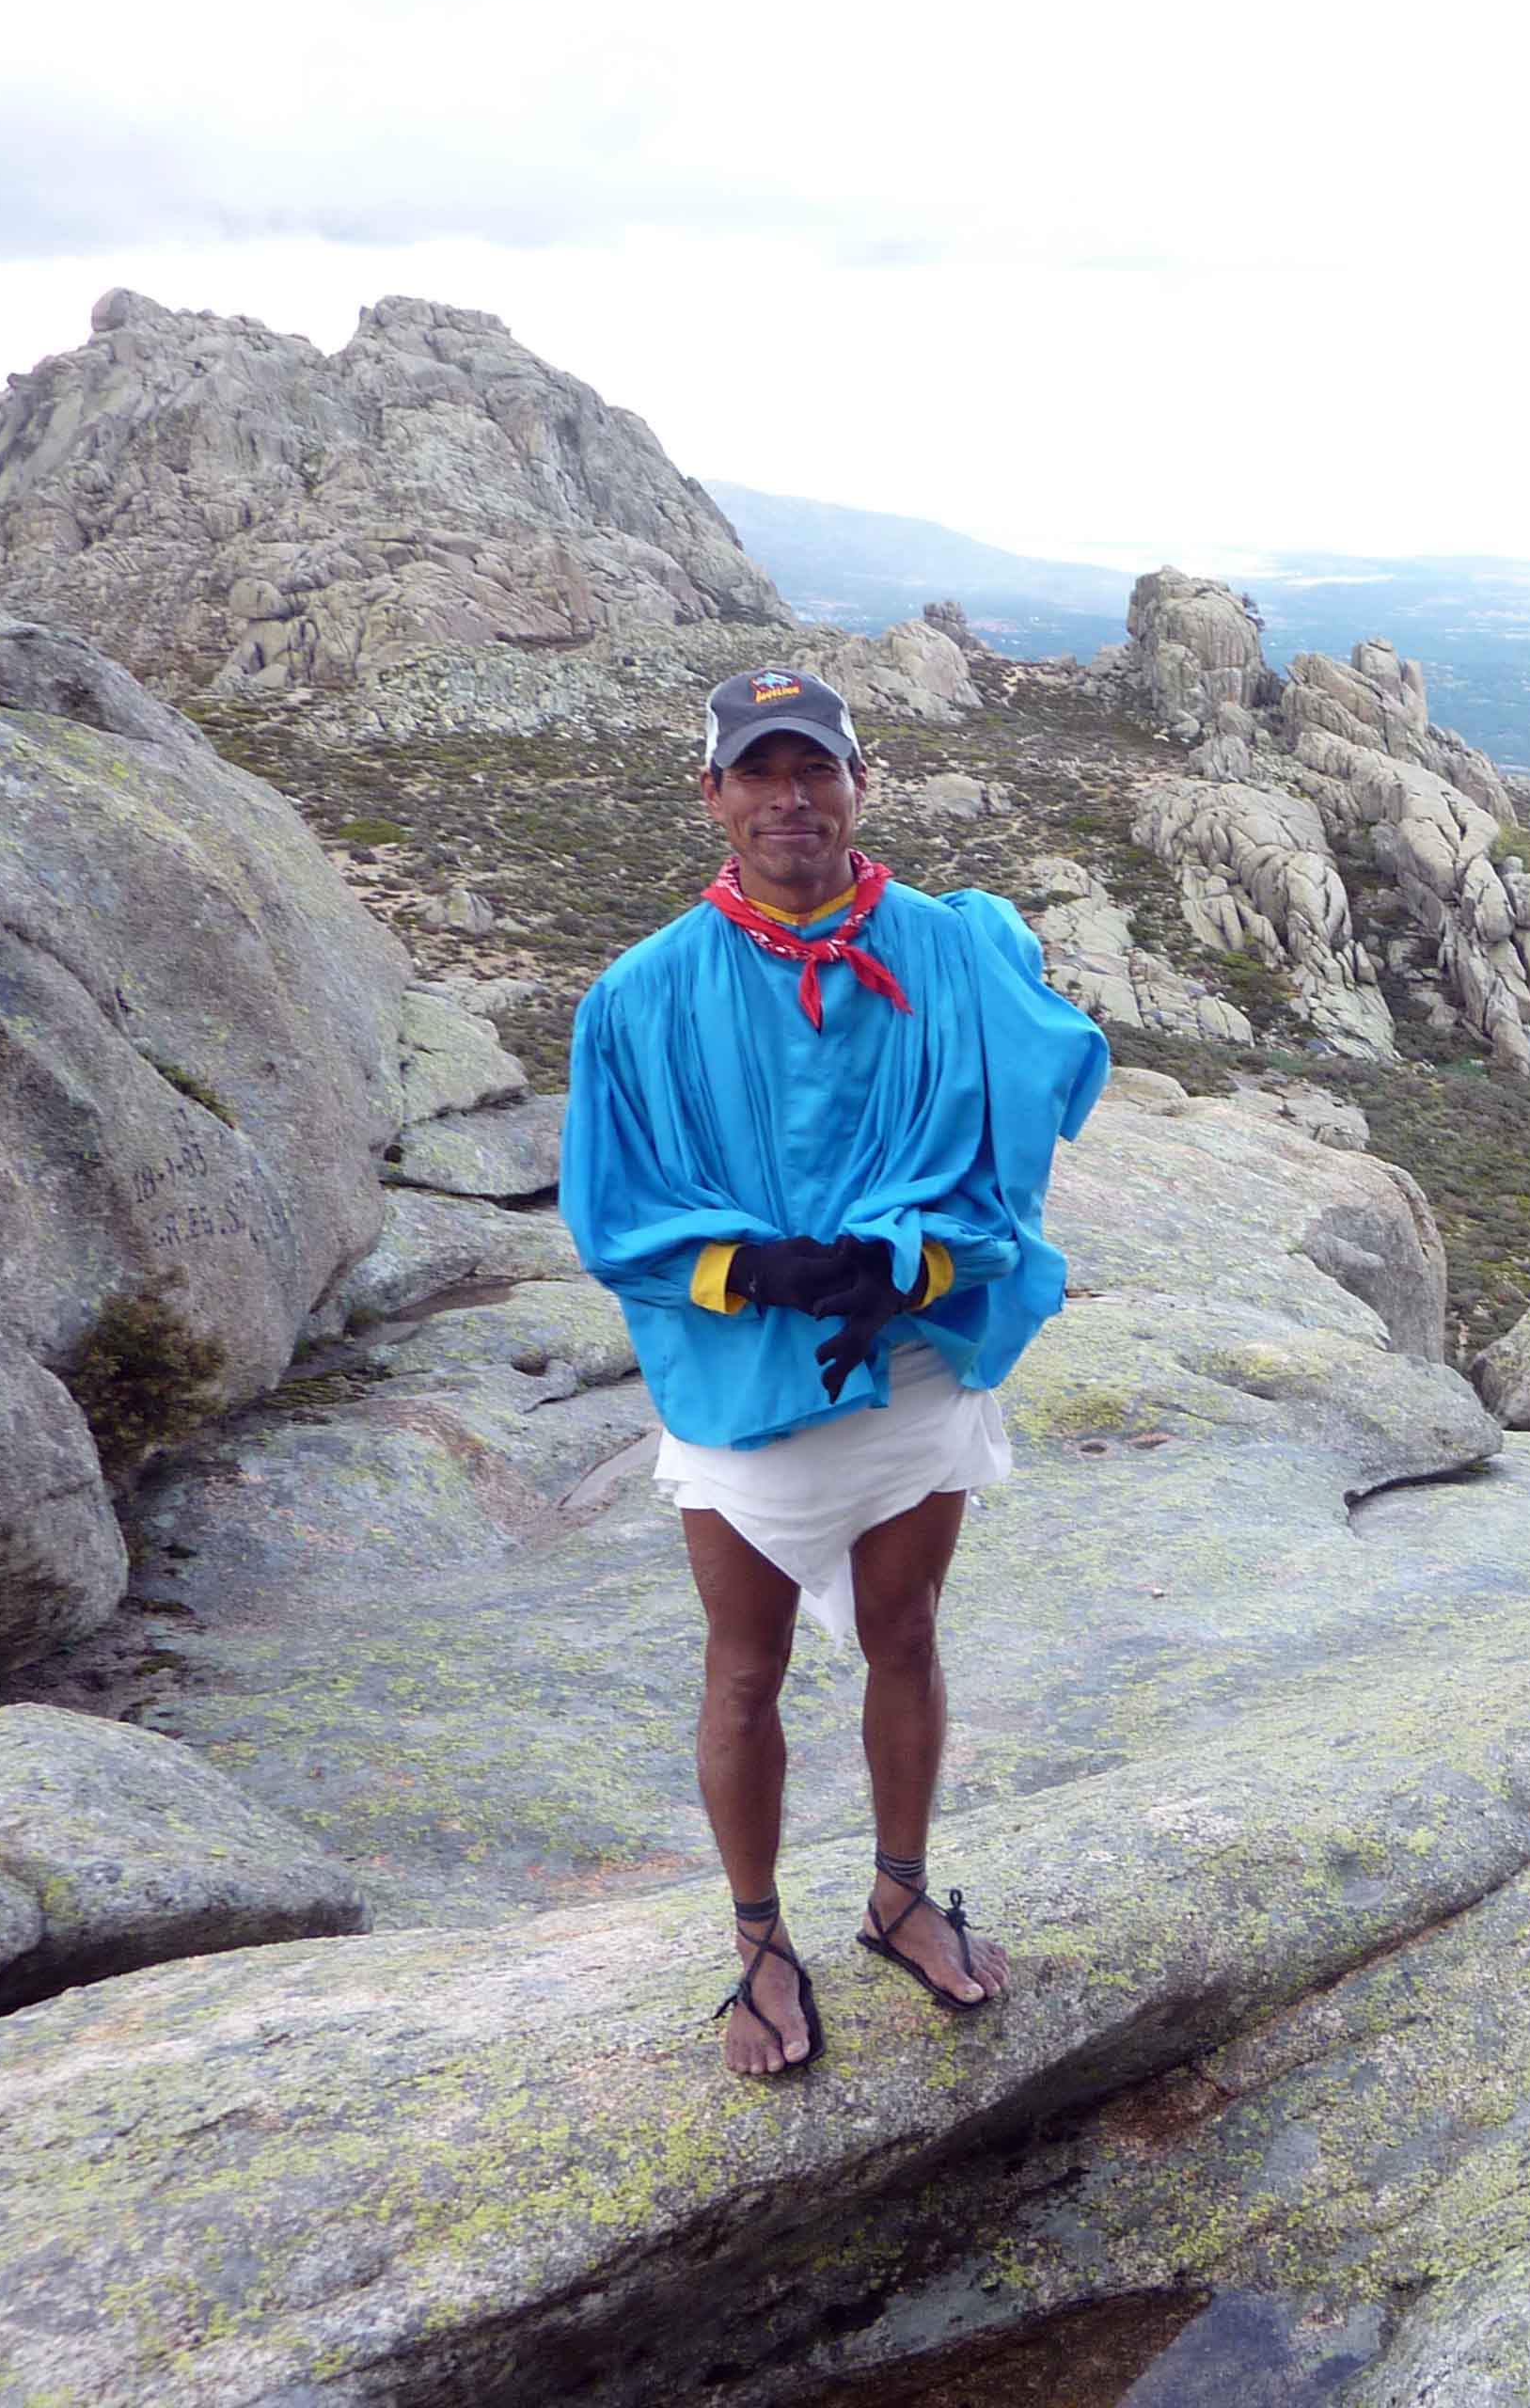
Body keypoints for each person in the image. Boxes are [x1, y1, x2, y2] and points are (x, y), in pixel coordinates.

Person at [563, 666, 1109, 2077]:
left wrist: (905, 1269)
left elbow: (1013, 1165)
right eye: (759, 772)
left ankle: (898, 1895)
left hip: (912, 1364)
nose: (788, 799)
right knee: (742, 1670)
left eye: (816, 772)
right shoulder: (640, 995)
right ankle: (756, 1944)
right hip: (741, 1377)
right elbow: (613, 1214)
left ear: (861, 786)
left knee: (905, 1634)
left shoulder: (953, 954)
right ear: (715, 796)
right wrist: (758, 1272)